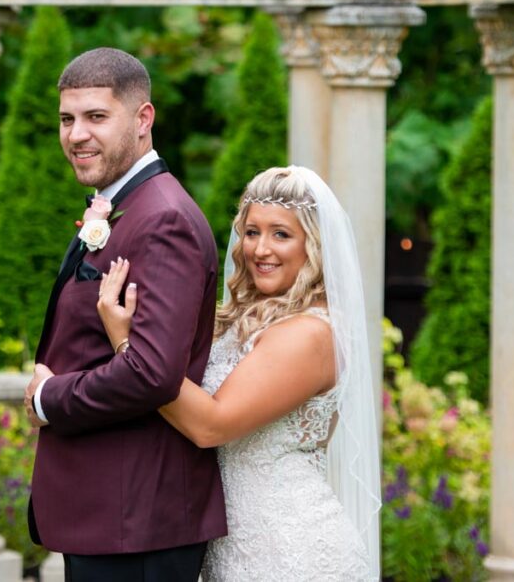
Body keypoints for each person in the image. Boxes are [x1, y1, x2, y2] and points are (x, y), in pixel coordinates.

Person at [91, 166, 382, 581]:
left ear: (313, 245)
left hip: (290, 553)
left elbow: (211, 425)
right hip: (233, 548)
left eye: (281, 234)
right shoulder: (246, 317)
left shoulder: (310, 334)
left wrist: (127, 346)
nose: (260, 249)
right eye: (251, 232)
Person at [22, 47, 226, 581]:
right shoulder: (121, 204)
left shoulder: (164, 220)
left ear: (143, 119)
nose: (76, 135)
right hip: (112, 518)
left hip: (138, 522)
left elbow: (153, 374)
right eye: (67, 119)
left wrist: (49, 397)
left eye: (96, 117)